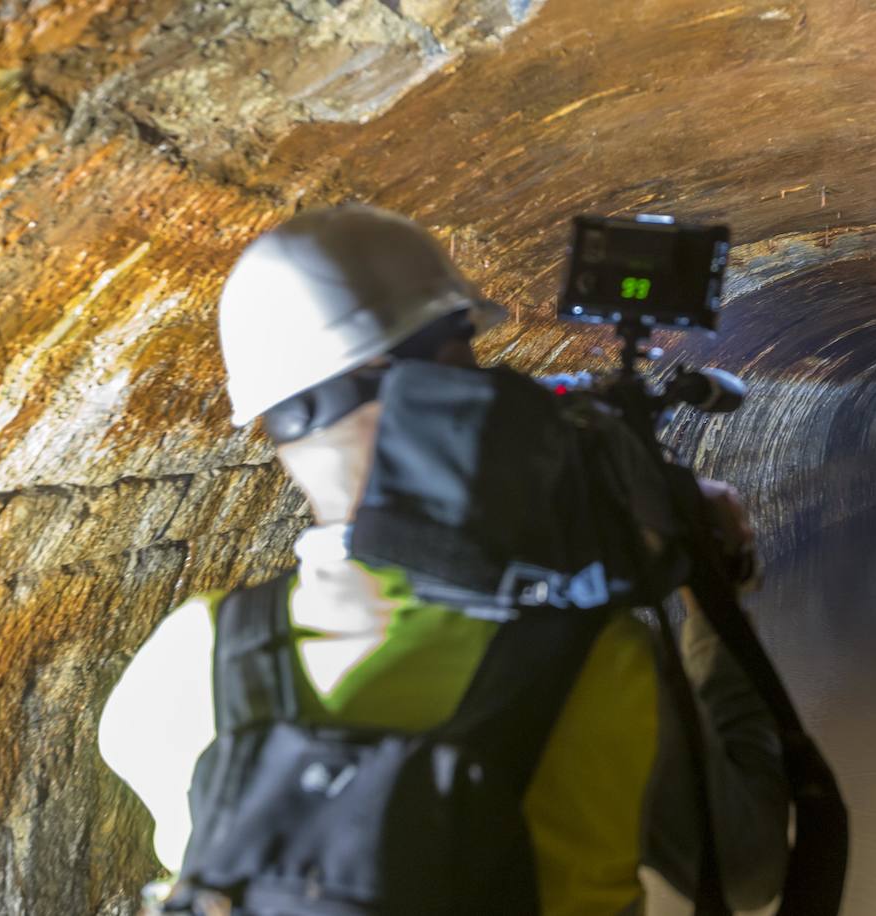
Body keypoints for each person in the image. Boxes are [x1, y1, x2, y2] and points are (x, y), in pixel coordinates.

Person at [98, 204, 790, 914]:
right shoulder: (604, 664)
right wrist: (715, 599)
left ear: (276, 425)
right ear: (444, 384)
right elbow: (750, 871)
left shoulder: (183, 661)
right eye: (469, 356)